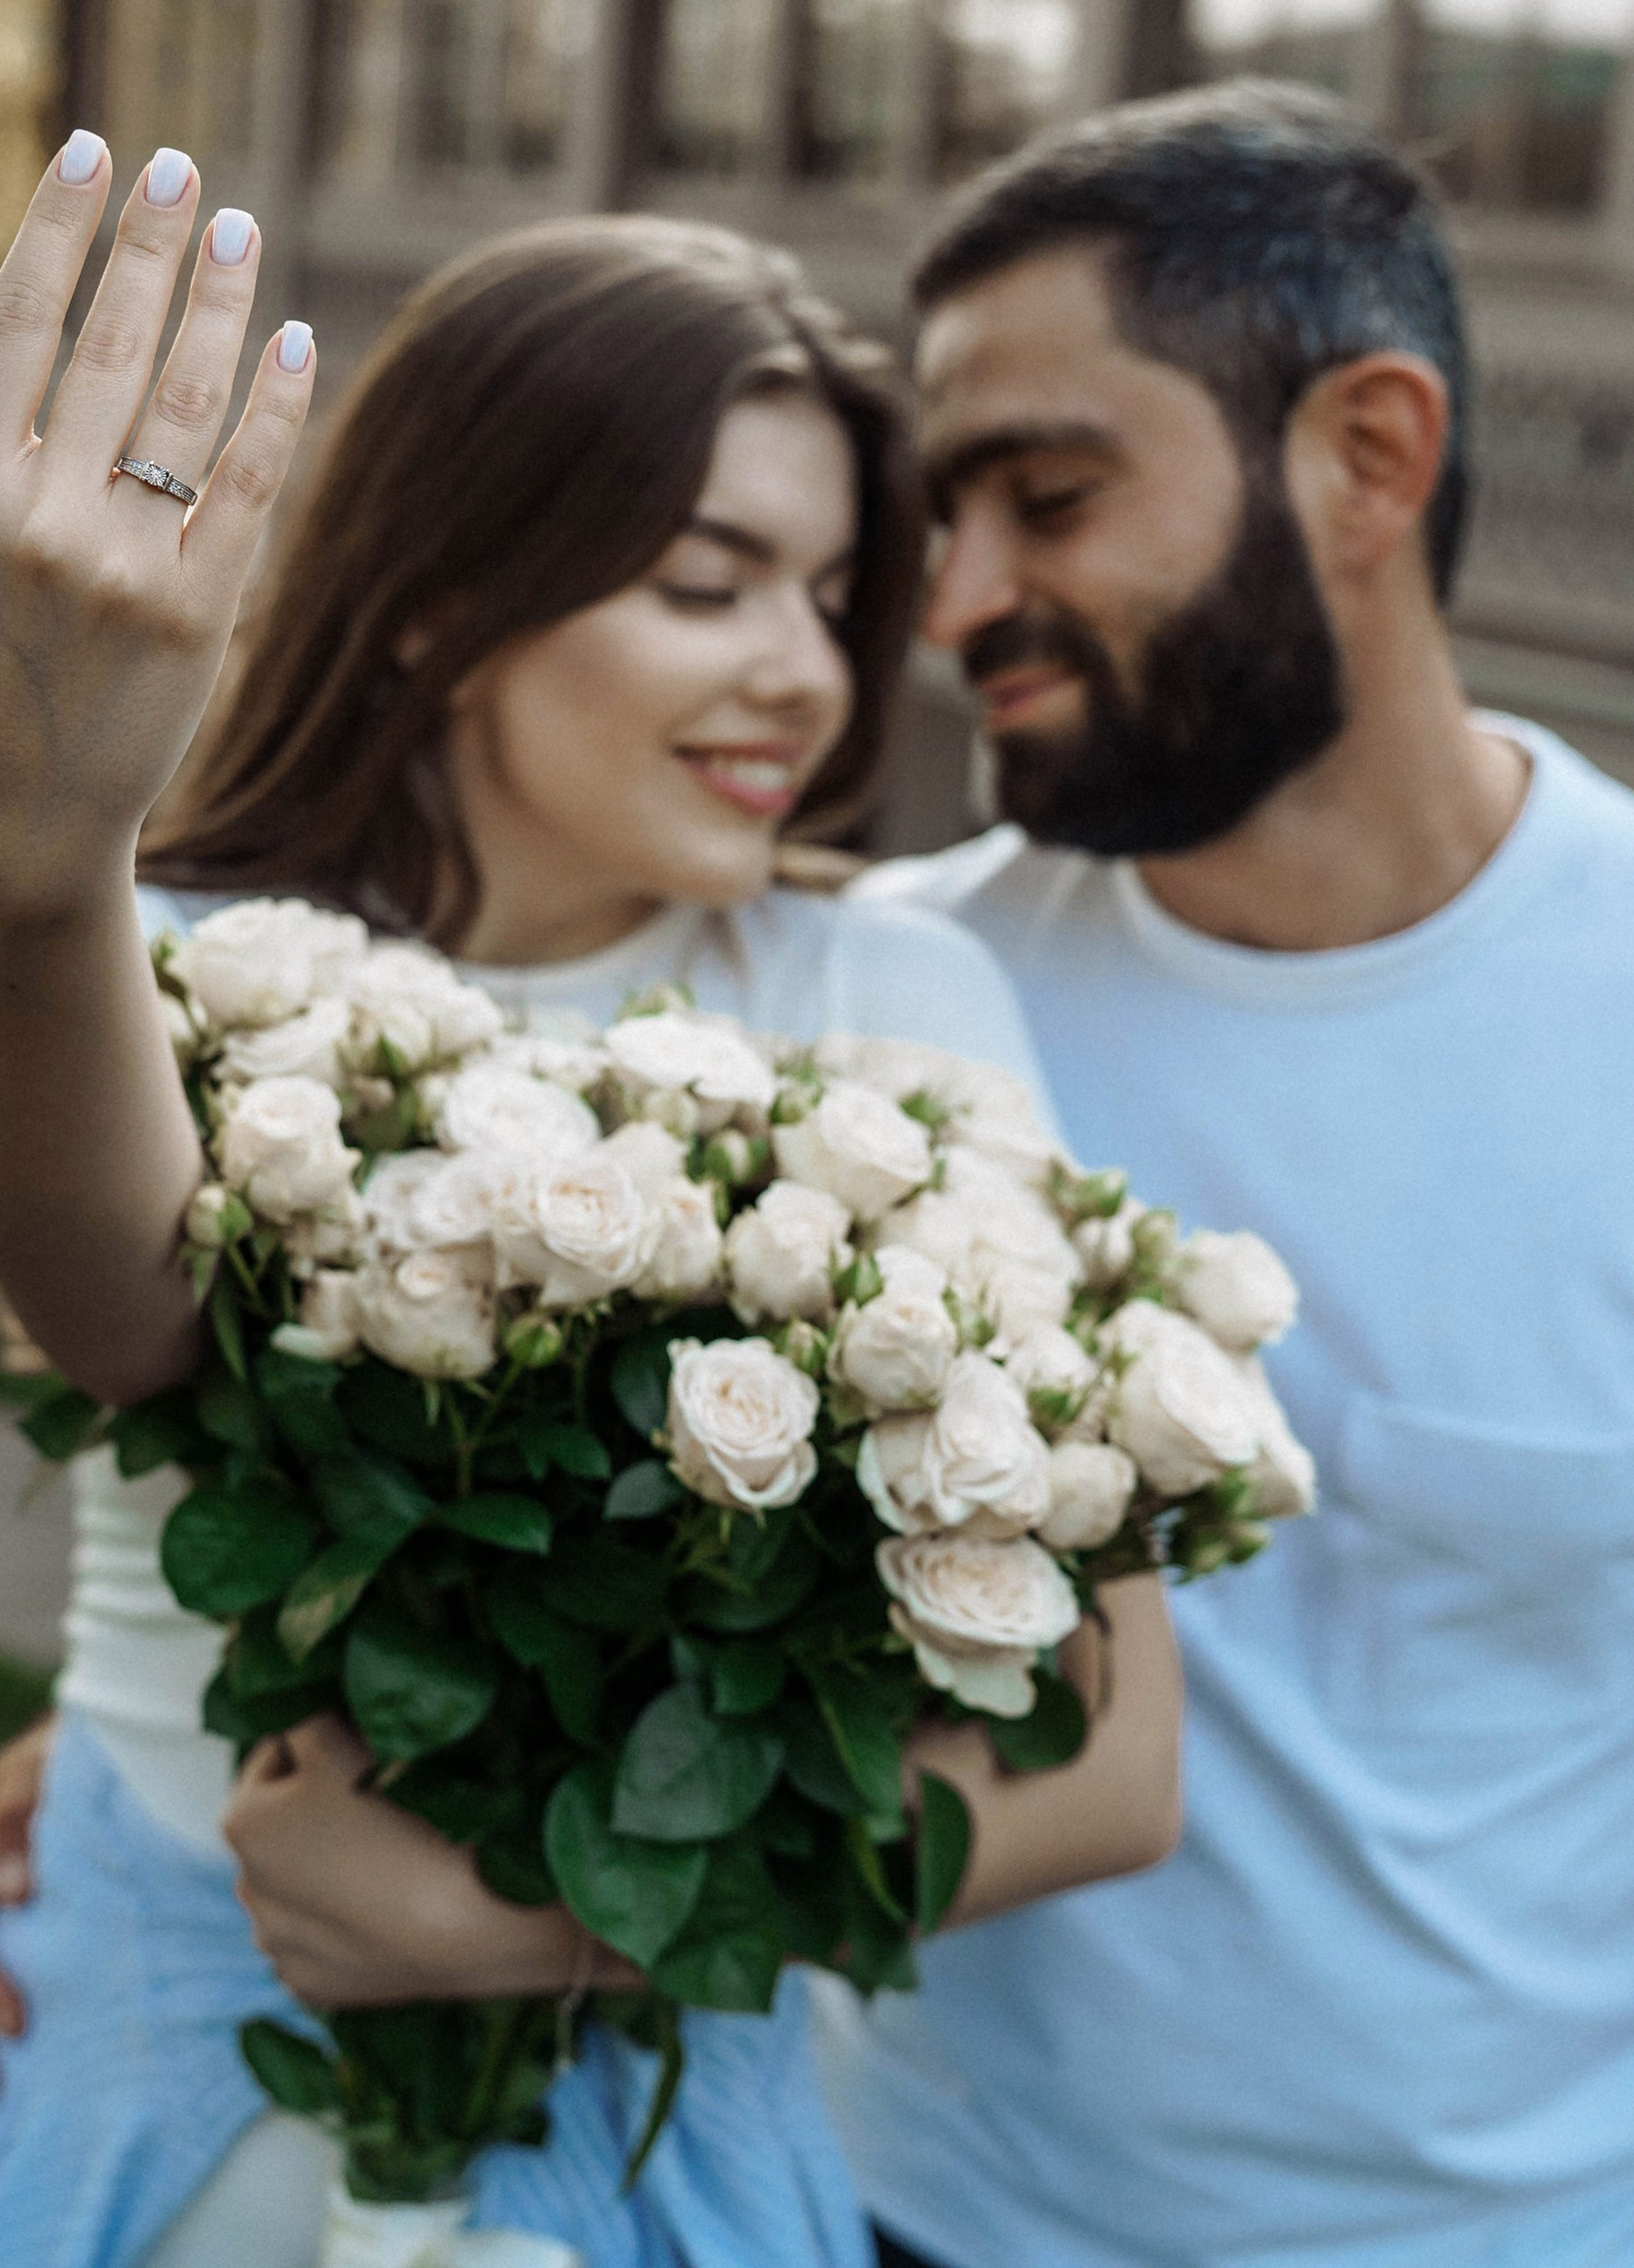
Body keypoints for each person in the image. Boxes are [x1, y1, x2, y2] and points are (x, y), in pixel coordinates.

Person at [0, 140, 1181, 2267]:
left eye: (823, 596)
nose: (802, 669)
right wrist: (29, 861)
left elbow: (1108, 1764)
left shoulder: (890, 997)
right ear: (440, 587)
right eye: (706, 582)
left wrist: (538, 1920)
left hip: (651, 2119)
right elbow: (122, 1310)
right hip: (141, 2086)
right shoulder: (178, 960)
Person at [817, 81, 1634, 2267]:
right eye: (937, 519)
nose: (950, 601)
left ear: (1365, 456)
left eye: (1045, 496)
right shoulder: (873, 1009)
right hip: (915, 2221)